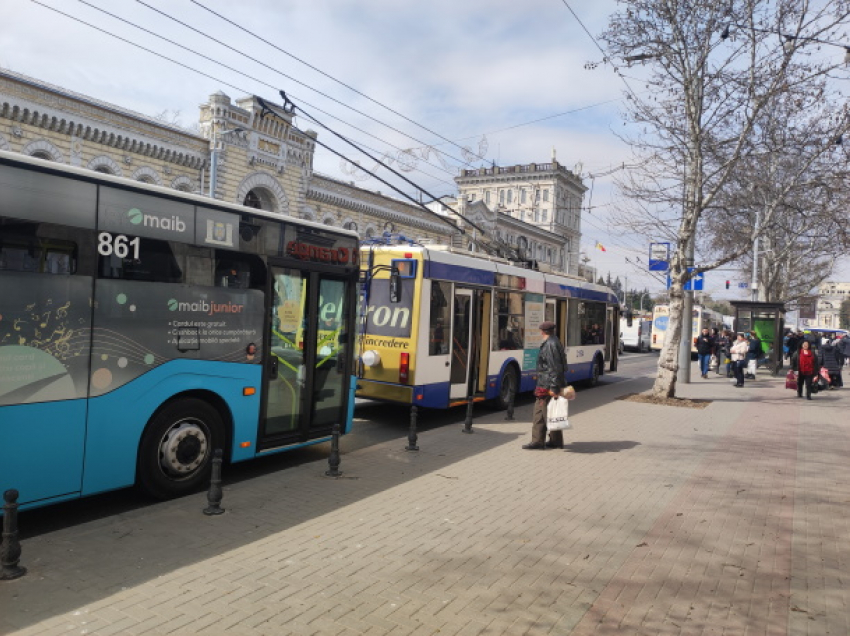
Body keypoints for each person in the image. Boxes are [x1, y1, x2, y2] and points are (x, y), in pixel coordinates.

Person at [523, 321, 568, 450]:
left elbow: (554, 367)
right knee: (552, 412)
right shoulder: (555, 341)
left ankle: (538, 441)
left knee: (540, 412)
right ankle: (556, 441)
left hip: (547, 384)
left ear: (542, 331)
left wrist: (553, 387)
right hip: (550, 383)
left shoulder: (550, 344)